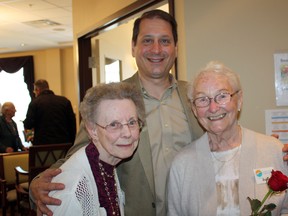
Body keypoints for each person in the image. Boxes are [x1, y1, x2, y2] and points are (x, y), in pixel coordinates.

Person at [29, 9, 203, 216]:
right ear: (133, 47)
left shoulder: (197, 96)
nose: (156, 49)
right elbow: (81, 155)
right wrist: (39, 183)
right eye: (147, 41)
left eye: (165, 41)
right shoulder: (110, 99)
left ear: (175, 48)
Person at [167, 61, 288, 215]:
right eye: (202, 99)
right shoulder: (182, 164)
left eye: (222, 96)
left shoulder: (274, 150)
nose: (213, 108)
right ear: (194, 110)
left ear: (239, 100)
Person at [46, 82, 145, 215]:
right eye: (114, 124)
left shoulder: (107, 165)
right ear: (92, 130)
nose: (127, 133)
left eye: (132, 122)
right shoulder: (73, 188)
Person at [23, 79, 76, 145]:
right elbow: (72, 124)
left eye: (34, 91)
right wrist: (72, 142)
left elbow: (28, 124)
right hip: (63, 144)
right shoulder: (64, 101)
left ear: (37, 90)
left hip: (43, 145)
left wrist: (25, 122)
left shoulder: (35, 103)